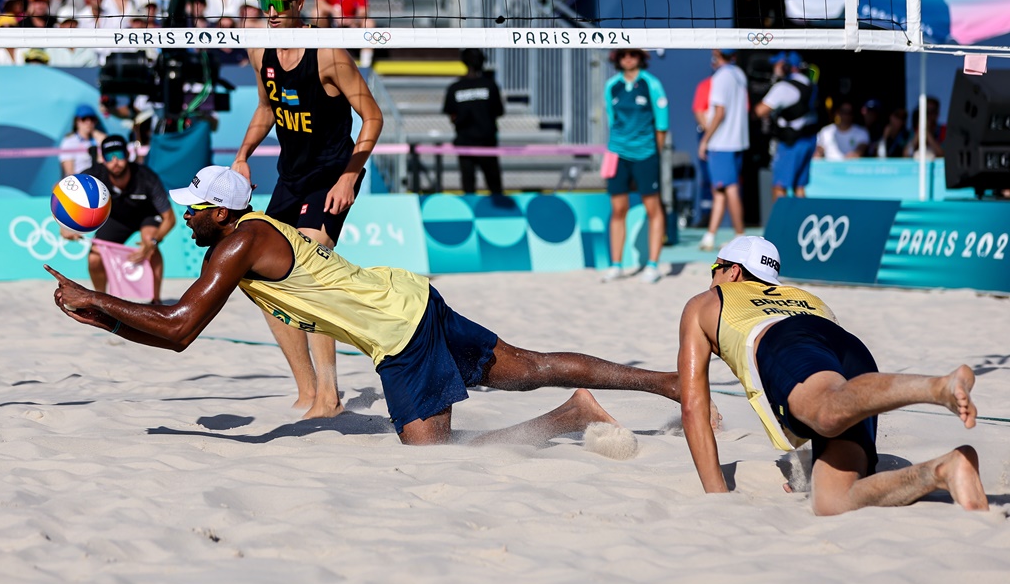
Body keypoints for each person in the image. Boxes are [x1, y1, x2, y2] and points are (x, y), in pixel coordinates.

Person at [46, 165, 693, 446]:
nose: (186, 218)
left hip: (397, 329)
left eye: (193, 209)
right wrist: (104, 315)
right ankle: (668, 383)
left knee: (435, 457)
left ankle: (567, 420)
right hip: (408, 294)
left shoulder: (239, 241)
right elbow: (174, 328)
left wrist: (94, 296)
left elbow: (180, 328)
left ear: (222, 211)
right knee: (526, 365)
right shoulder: (248, 238)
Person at [677, 235, 987, 515]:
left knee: (826, 411)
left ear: (732, 271)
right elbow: (824, 362)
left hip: (785, 342)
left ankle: (937, 387)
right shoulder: (805, 296)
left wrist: (716, 495)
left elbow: (693, 407)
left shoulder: (705, 302)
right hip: (849, 349)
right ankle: (943, 470)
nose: (711, 278)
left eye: (714, 269)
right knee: (832, 501)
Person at [232, 0, 384, 420]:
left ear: (300, 4)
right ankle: (307, 389)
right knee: (258, 275)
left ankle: (330, 396)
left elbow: (373, 117)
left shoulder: (330, 54)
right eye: (264, 2)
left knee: (312, 269)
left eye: (279, 3)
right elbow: (266, 108)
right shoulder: (261, 51)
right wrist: (242, 156)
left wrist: (349, 177)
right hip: (289, 176)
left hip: (330, 175)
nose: (271, 11)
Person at [63, 135, 176, 304]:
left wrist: (154, 241)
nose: (115, 161)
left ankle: (156, 300)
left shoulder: (146, 177)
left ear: (128, 155)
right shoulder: (94, 176)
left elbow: (170, 218)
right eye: (109, 156)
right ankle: (100, 300)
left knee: (150, 245)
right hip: (117, 219)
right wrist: (66, 225)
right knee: (94, 256)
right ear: (103, 158)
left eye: (119, 155)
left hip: (146, 216)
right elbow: (66, 195)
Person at [599, 48, 668, 284]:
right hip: (618, 153)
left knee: (653, 208)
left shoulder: (652, 84)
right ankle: (616, 265)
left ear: (641, 57)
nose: (627, 57)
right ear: (617, 58)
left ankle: (653, 265)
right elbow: (612, 120)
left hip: (646, 154)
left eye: (633, 53)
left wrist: (653, 153)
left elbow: (662, 124)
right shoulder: (612, 86)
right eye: (623, 54)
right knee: (618, 209)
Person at [698, 49, 749, 251]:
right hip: (736, 141)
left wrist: (705, 140)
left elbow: (719, 112)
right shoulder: (740, 74)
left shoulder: (721, 77)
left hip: (722, 143)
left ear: (718, 55)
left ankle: (740, 237)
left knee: (730, 189)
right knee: (720, 190)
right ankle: (710, 236)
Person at [753, 51, 820, 202]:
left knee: (779, 187)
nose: (774, 68)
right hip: (808, 140)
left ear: (787, 67)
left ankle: (781, 225)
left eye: (777, 65)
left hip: (792, 142)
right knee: (799, 187)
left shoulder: (784, 88)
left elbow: (759, 111)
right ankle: (803, 224)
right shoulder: (810, 84)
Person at [441, 47, 505, 196]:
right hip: (485, 141)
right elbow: (499, 112)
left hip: (467, 142)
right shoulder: (490, 85)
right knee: (494, 184)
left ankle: (472, 213)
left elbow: (452, 116)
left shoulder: (455, 88)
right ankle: (499, 215)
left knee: (468, 185)